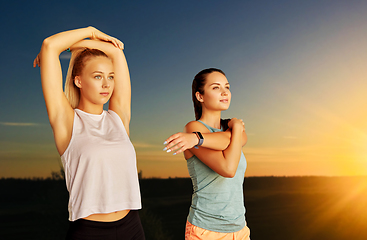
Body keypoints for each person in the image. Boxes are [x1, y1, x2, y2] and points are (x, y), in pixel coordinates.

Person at [33, 27, 145, 239]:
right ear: (78, 81)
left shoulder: (118, 118)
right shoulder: (67, 121)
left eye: (110, 77)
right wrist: (90, 32)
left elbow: (117, 53)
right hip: (90, 232)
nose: (107, 84)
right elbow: (49, 46)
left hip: (132, 227)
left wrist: (77, 46)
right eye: (97, 76)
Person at [164, 68, 250, 240]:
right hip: (206, 231)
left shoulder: (228, 131)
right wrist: (237, 127)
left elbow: (239, 139)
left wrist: (198, 140)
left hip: (240, 229)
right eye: (216, 87)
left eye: (227, 86)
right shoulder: (193, 128)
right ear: (200, 96)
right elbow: (228, 169)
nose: (225, 92)